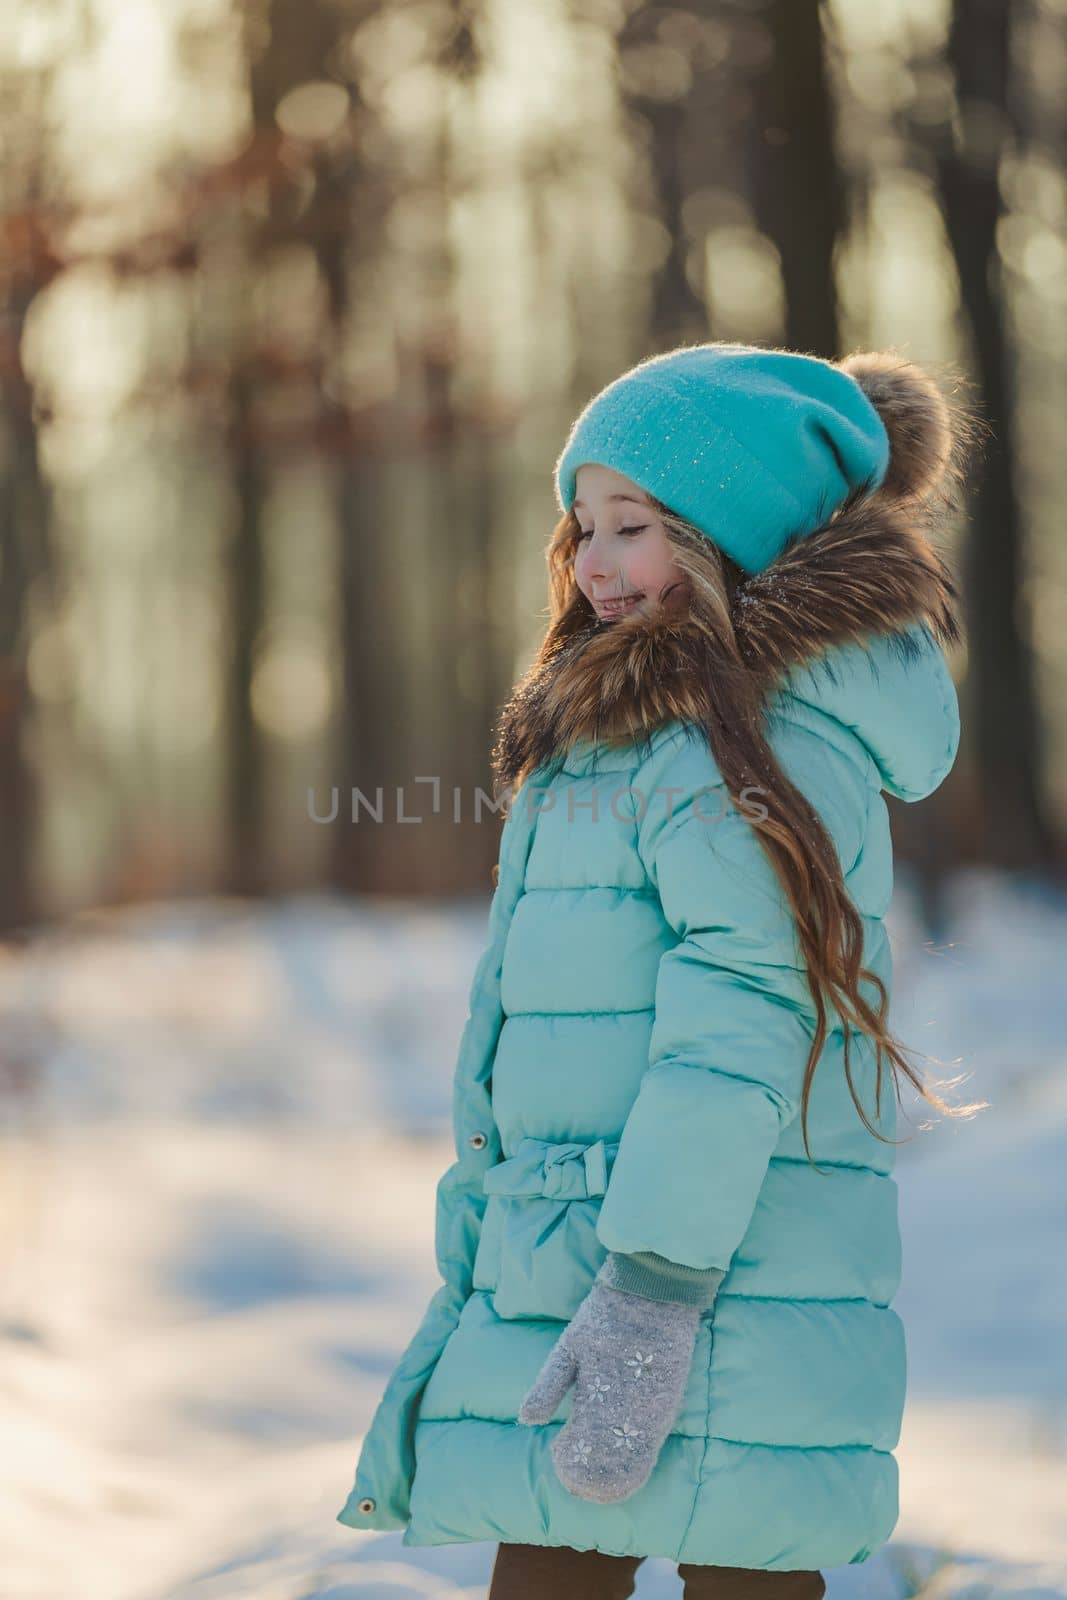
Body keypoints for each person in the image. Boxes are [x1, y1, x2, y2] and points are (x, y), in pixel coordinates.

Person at [337, 343, 987, 1599]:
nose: (590, 562)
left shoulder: (732, 745)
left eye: (629, 527)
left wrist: (650, 1291)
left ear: (723, 535)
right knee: (569, 1563)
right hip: (598, 1258)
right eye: (581, 526)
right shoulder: (638, 732)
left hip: (703, 1277)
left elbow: (739, 1022)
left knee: (726, 1571)